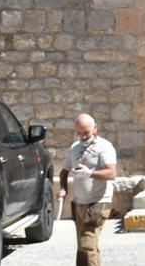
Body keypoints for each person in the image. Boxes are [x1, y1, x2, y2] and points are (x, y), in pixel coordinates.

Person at [58, 113, 117, 266]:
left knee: (87, 242)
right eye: (79, 133)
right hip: (79, 203)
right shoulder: (75, 148)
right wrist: (64, 189)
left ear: (95, 129)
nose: (83, 137)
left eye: (86, 133)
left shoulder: (104, 147)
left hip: (98, 201)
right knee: (84, 247)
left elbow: (111, 173)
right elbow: (64, 171)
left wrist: (90, 173)